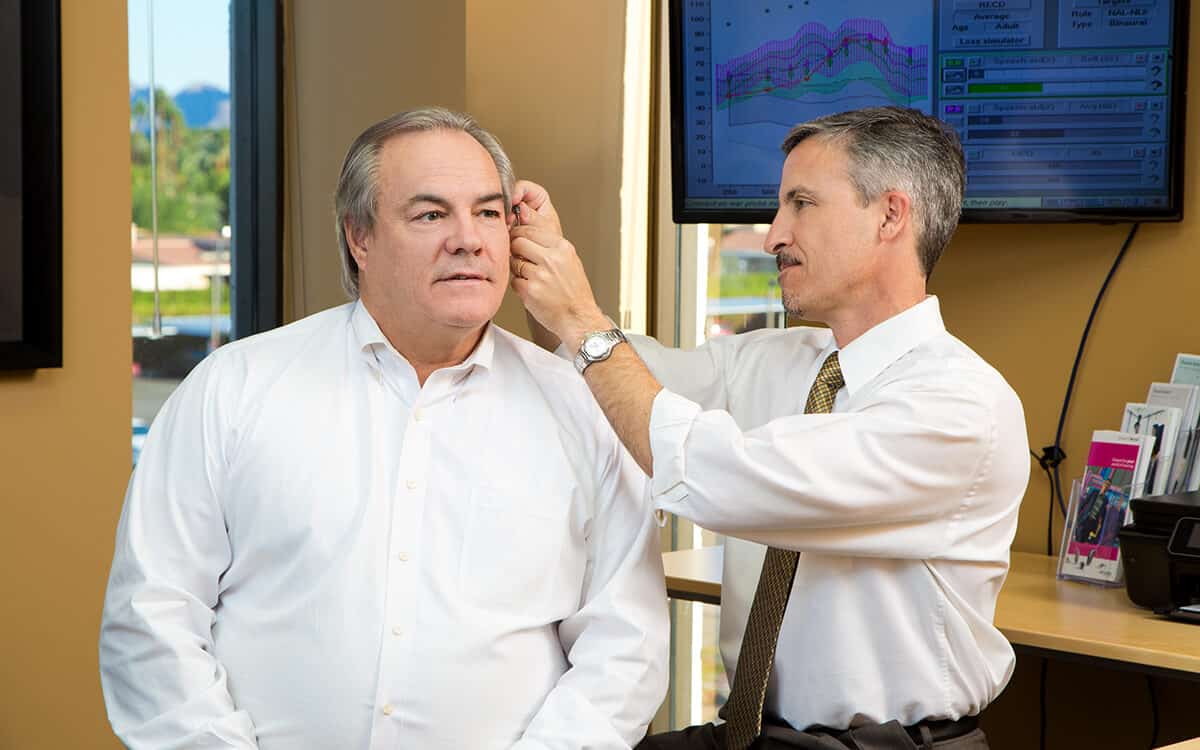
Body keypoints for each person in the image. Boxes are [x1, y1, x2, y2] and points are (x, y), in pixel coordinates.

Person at [99, 107, 668, 750]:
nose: (468, 239)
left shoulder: (582, 409)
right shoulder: (233, 389)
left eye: (487, 213)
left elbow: (626, 647)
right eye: (431, 215)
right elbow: (151, 616)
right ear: (358, 237)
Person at [507, 106, 1030, 749]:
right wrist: (548, 277)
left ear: (892, 215)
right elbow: (612, 386)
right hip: (755, 736)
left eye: (801, 203)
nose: (773, 235)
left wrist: (581, 319)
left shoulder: (959, 407)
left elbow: (721, 477)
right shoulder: (779, 361)